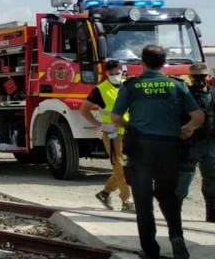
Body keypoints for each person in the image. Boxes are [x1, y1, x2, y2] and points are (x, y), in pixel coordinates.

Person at [111, 44, 204, 259]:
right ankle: (176, 235)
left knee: (143, 201)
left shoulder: (132, 86)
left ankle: (151, 251)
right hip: (169, 148)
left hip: (141, 148)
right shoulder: (177, 85)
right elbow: (198, 116)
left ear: (142, 63)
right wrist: (187, 129)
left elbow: (116, 118)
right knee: (168, 196)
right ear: (164, 64)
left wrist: (128, 126)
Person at [79, 59, 135, 212]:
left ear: (122, 71)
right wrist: (99, 125)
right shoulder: (100, 89)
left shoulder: (128, 85)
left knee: (127, 167)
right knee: (120, 166)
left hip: (130, 132)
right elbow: (84, 110)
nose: (115, 76)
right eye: (112, 74)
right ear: (106, 74)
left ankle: (105, 193)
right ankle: (127, 200)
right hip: (112, 133)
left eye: (117, 73)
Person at [177, 62, 215, 223]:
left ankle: (212, 217)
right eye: (196, 77)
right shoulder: (184, 95)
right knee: (182, 184)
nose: (200, 80)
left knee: (212, 184)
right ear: (190, 77)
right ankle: (174, 216)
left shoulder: (213, 94)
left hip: (210, 145)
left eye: (202, 76)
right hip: (188, 145)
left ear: (208, 77)